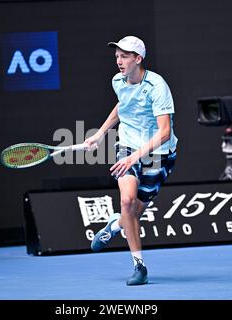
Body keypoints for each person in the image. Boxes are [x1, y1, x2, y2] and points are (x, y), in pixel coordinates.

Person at [84, 35, 178, 286]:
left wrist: (138, 155)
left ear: (138, 59)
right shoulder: (118, 81)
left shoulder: (158, 86)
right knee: (127, 200)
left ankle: (115, 224)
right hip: (127, 146)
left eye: (124, 56)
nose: (119, 60)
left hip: (159, 154)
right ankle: (140, 266)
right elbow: (121, 105)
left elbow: (164, 132)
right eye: (116, 56)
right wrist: (101, 133)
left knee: (133, 212)